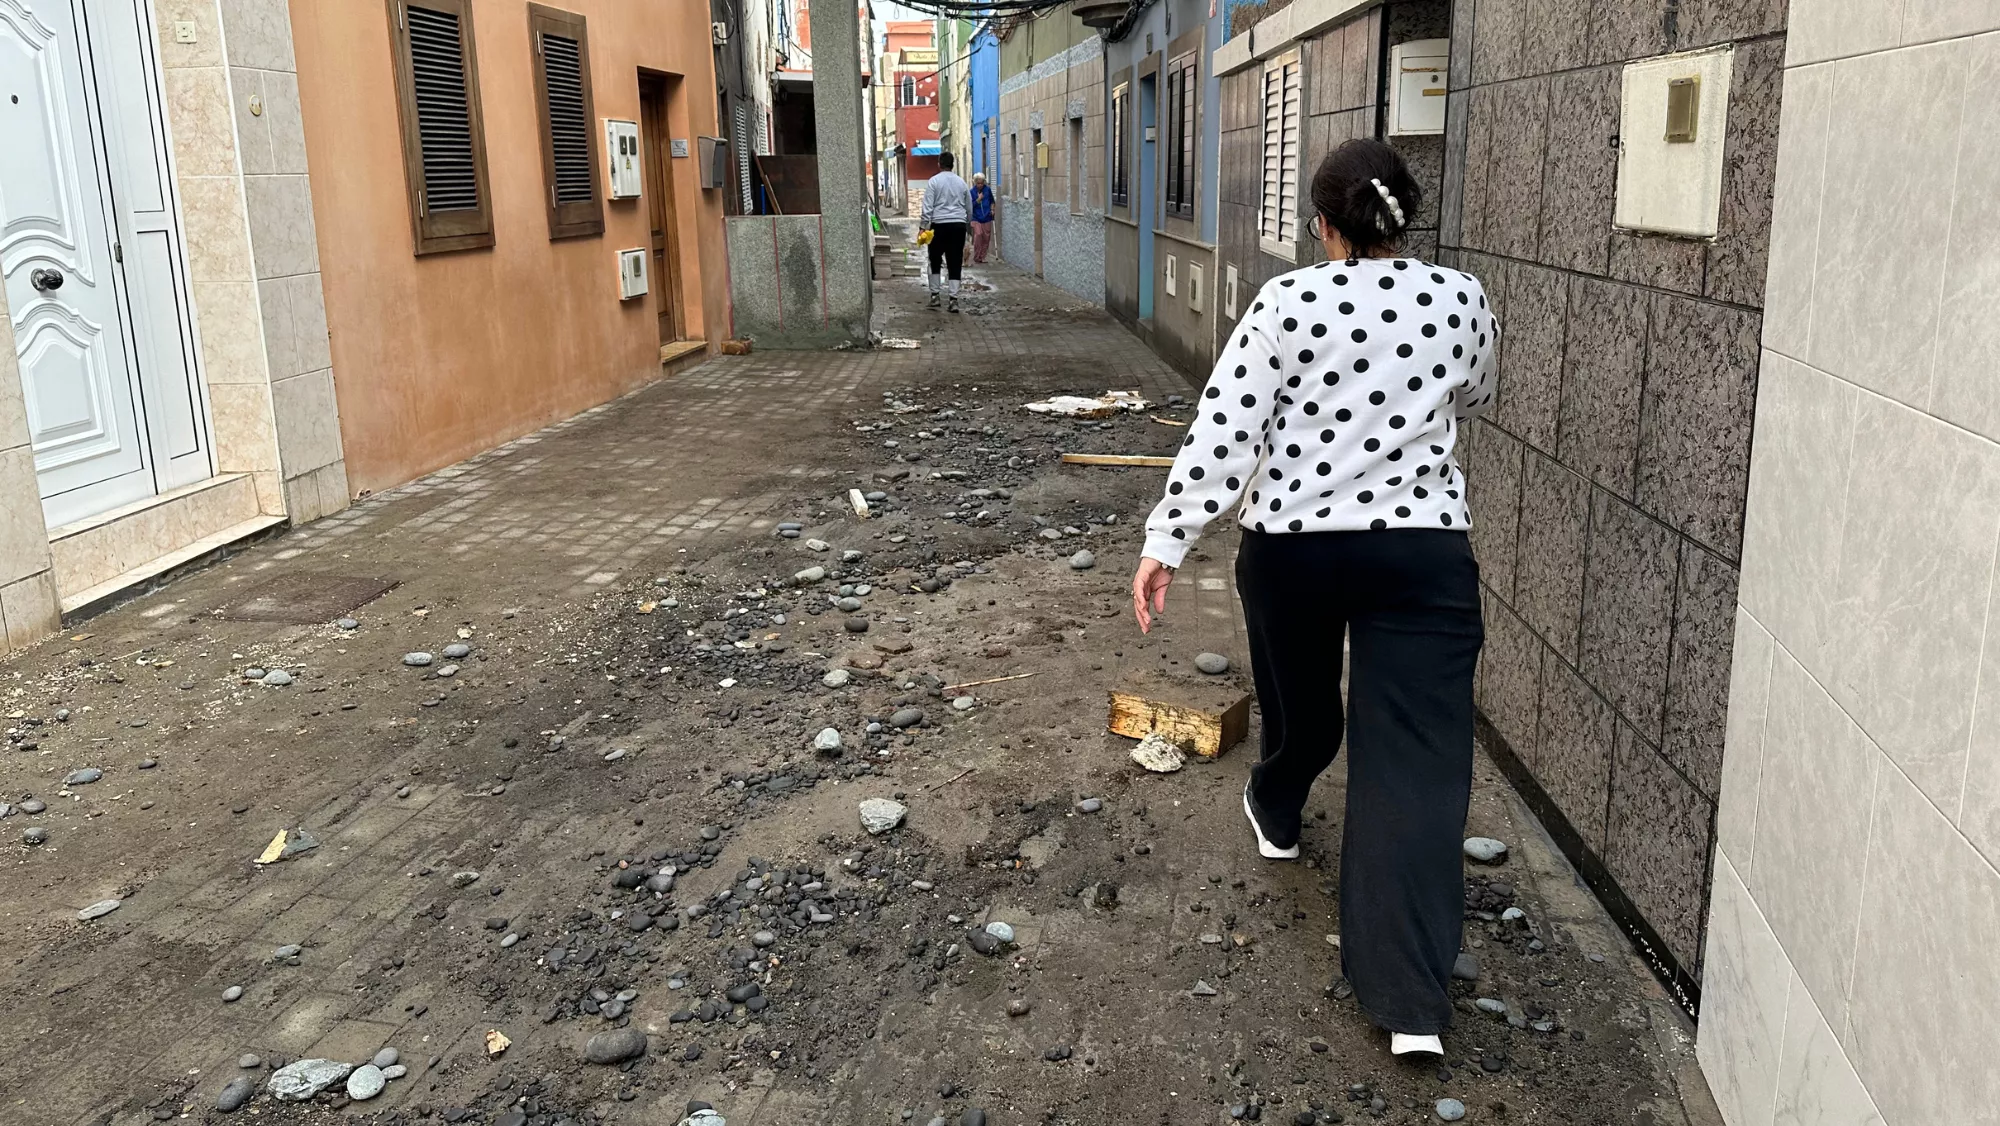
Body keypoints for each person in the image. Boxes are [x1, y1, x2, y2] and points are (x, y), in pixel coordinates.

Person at [1129, 138, 1497, 1058]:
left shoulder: (1286, 300)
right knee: (1418, 761)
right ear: (1403, 219)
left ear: (1323, 227)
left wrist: (1168, 540)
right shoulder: (1461, 299)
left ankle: (1280, 803)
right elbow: (1475, 390)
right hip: (1422, 553)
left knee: (1301, 709)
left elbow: (1228, 428)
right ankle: (1412, 1006)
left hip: (1292, 548)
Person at [919, 152, 971, 311]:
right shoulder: (961, 182)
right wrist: (967, 224)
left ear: (939, 164)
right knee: (955, 261)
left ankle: (935, 296)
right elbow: (969, 206)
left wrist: (923, 227)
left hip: (938, 225)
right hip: (958, 225)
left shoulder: (934, 181)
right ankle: (953, 300)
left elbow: (927, 206)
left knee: (934, 260)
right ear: (953, 165)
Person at [969, 172, 996, 264]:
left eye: (981, 183)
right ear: (975, 182)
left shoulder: (987, 190)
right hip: (976, 217)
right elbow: (970, 206)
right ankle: (977, 256)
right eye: (978, 183)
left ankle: (983, 257)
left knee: (986, 238)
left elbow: (992, 201)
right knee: (978, 235)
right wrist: (978, 200)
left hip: (987, 217)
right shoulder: (971, 192)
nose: (980, 185)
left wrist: (992, 210)